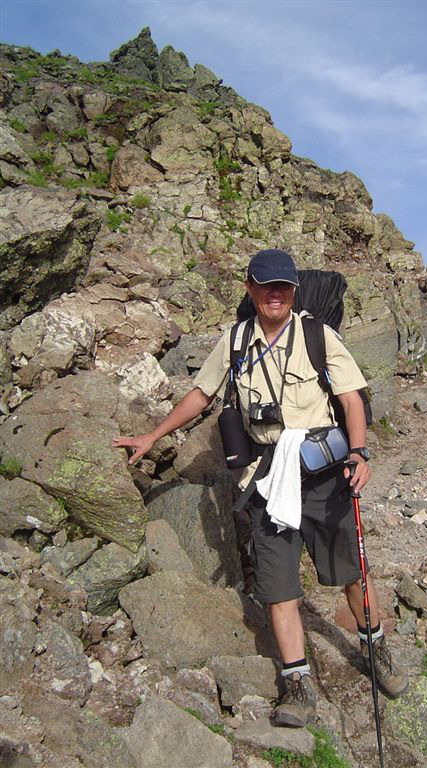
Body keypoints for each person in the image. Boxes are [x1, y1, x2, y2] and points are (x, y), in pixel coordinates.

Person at [113, 249, 408, 727]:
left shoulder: (318, 336)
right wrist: (153, 435)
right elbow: (201, 395)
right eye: (266, 285)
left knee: (352, 572)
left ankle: (377, 652)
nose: (275, 294)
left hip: (324, 475)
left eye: (284, 287)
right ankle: (298, 685)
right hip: (266, 480)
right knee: (277, 586)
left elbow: (352, 400)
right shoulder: (234, 342)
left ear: (293, 291)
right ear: (250, 288)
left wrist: (358, 453)